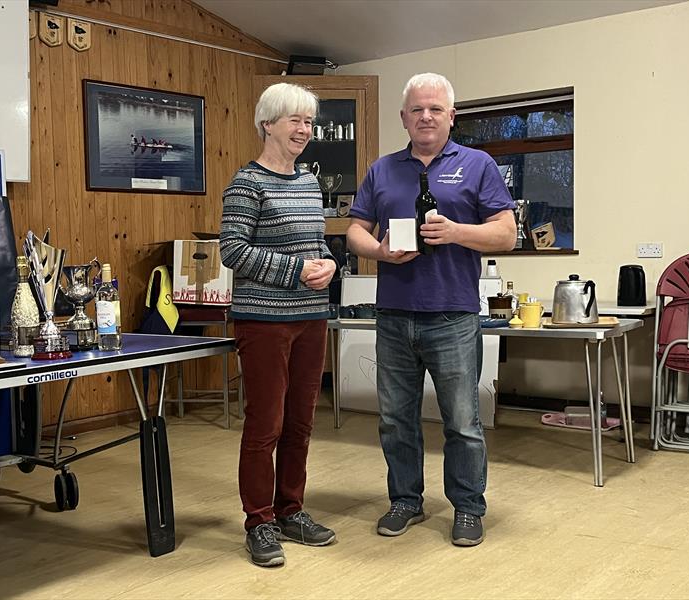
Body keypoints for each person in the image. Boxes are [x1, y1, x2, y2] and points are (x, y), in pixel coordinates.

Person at [346, 73, 516, 547]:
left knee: (462, 421)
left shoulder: (479, 164)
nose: (426, 116)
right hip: (394, 315)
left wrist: (457, 232)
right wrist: (378, 252)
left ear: (451, 116)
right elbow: (355, 230)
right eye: (417, 109)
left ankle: (467, 507)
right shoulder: (382, 169)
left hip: (453, 316)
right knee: (396, 418)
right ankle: (405, 500)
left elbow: (506, 233)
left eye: (435, 109)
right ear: (404, 117)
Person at [219, 82, 338, 567]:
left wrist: (332, 264)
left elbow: (316, 245)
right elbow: (232, 250)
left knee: (301, 423)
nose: (304, 130)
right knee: (265, 424)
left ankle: (292, 511)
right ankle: (259, 521)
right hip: (264, 322)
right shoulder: (246, 183)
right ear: (267, 123)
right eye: (295, 120)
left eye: (309, 122)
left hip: (311, 319)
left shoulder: (309, 181)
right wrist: (295, 272)